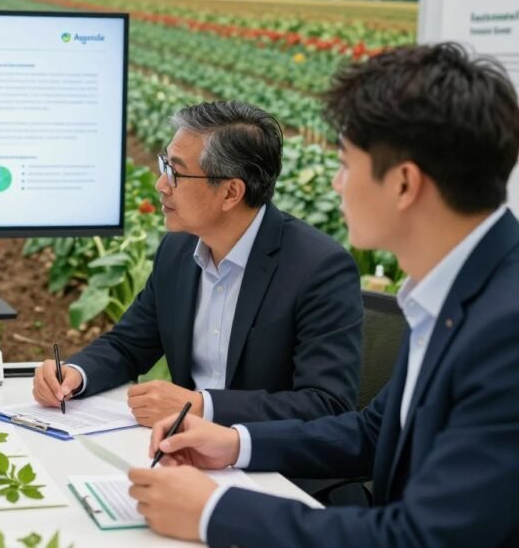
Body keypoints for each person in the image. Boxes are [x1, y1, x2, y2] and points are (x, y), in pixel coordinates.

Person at [131, 43, 519, 547]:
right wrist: (232, 442)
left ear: (403, 184)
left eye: (345, 165)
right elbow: (373, 434)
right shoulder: (459, 290)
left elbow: (424, 537)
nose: (337, 184)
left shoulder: (505, 331)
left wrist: (214, 512)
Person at [33, 100, 362, 426]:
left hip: (269, 466)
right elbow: (128, 344)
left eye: (175, 172)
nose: (161, 185)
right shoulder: (178, 249)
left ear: (231, 193)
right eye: (165, 165)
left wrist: (203, 406)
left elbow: (325, 404)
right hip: (182, 453)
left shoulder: (318, 268)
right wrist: (75, 374)